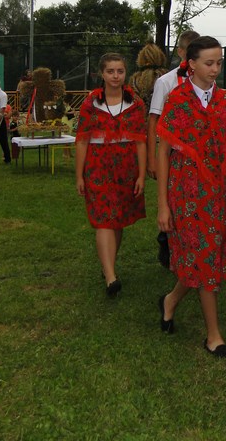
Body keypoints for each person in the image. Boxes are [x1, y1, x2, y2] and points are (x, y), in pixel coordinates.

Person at [157, 36, 226, 358]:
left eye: (219, 63)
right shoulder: (177, 100)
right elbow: (163, 153)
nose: (215, 69)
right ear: (191, 64)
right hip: (186, 192)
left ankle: (170, 301)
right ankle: (213, 336)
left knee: (205, 256)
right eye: (209, 63)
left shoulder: (224, 101)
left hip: (217, 192)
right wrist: (163, 205)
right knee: (205, 257)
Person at [75, 53, 147, 297]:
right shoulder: (90, 103)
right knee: (104, 219)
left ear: (126, 73)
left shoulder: (135, 104)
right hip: (98, 166)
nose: (116, 76)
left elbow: (141, 142)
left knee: (118, 219)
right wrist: (79, 175)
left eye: (120, 71)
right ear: (102, 74)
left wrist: (141, 175)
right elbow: (82, 141)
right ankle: (110, 277)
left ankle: (109, 268)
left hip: (126, 168)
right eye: (110, 71)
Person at [147, 30, 200, 267]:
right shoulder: (166, 82)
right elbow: (153, 121)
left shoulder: (205, 79)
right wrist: (152, 159)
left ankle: (193, 245)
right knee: (171, 200)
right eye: (190, 52)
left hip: (198, 153)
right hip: (172, 153)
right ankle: (167, 242)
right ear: (180, 52)